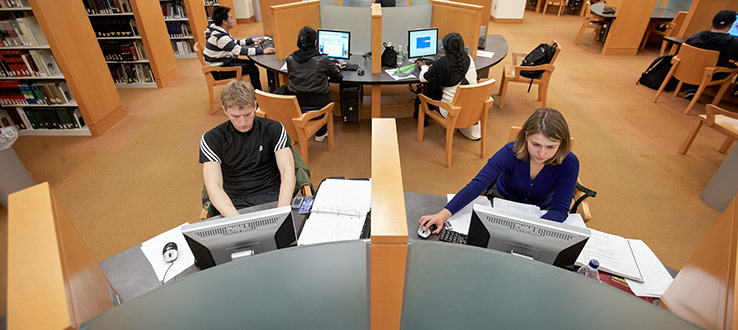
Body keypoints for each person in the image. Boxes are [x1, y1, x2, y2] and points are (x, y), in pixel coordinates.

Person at [419, 107, 579, 233]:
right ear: (526, 137)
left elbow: (560, 209)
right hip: (502, 201)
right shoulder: (510, 151)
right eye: (535, 144)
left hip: (541, 211)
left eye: (551, 147)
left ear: (561, 143)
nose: (542, 153)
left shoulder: (569, 162)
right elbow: (477, 184)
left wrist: (533, 230)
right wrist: (443, 214)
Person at [199, 80, 295, 217]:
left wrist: (282, 212)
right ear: (225, 110)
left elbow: (288, 171)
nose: (243, 122)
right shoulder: (212, 139)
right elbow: (214, 186)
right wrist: (237, 221)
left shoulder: (274, 128)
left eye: (248, 114)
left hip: (274, 198)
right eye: (235, 116)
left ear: (255, 106)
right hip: (233, 205)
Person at [415, 33, 480, 140]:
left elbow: (423, 78)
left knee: (429, 87)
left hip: (450, 111)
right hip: (471, 108)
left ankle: (422, 118)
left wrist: (424, 67)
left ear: (445, 48)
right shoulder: (468, 58)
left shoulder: (442, 64)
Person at [285, 26, 343, 142]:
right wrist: (335, 67)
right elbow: (338, 77)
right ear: (315, 42)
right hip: (319, 106)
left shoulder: (290, 59)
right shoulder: (323, 60)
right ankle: (321, 133)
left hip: (298, 106)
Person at [203, 6, 274, 91]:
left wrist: (250, 40)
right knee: (253, 68)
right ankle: (258, 96)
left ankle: (256, 91)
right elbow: (239, 50)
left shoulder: (217, 30)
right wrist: (263, 51)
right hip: (219, 70)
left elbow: (233, 42)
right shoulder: (220, 37)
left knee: (250, 63)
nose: (233, 20)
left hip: (222, 61)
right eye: (231, 18)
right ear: (224, 22)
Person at [683, 10, 738, 98]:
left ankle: (693, 88)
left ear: (711, 22)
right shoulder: (733, 43)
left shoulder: (695, 37)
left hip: (689, 71)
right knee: (733, 67)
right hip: (713, 75)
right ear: (731, 25)